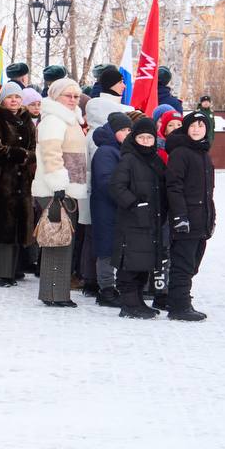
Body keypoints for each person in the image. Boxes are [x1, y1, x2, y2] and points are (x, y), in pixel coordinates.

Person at [32, 78, 90, 307]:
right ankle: (53, 294)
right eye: (68, 95)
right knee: (57, 239)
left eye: (76, 96)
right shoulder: (54, 120)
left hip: (67, 187)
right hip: (56, 188)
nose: (73, 100)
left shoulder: (70, 119)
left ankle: (58, 292)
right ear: (56, 97)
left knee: (64, 240)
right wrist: (58, 185)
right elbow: (51, 154)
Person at [109, 117, 168, 319]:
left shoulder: (156, 159)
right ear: (135, 139)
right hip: (133, 221)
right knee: (130, 263)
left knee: (144, 262)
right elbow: (116, 187)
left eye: (149, 138)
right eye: (141, 137)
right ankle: (129, 304)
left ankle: (138, 301)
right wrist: (135, 204)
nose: (145, 141)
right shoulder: (129, 159)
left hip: (151, 221)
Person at [0, 81, 36, 286]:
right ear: (3, 99)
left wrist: (28, 156)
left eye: (17, 97)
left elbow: (33, 148)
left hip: (23, 181)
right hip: (1, 181)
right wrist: (19, 154)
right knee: (1, 227)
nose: (14, 100)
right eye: (10, 97)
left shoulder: (26, 120)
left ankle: (13, 270)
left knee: (18, 226)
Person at [164, 111, 215, 321]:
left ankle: (180, 298)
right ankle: (179, 306)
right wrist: (180, 217)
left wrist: (211, 217)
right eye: (192, 126)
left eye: (201, 126)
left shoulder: (203, 152)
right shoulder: (181, 153)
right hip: (187, 219)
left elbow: (207, 190)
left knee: (193, 262)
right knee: (183, 263)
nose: (196, 130)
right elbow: (173, 187)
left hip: (201, 218)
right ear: (186, 129)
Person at [89, 112, 132, 308]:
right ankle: (106, 289)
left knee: (115, 247)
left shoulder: (121, 149)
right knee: (106, 249)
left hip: (117, 207)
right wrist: (126, 196)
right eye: (123, 130)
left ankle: (113, 288)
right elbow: (106, 181)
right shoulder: (107, 151)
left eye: (129, 130)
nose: (127, 133)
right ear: (113, 131)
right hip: (106, 208)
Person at [84, 66, 127, 139]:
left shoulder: (92, 104)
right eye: (120, 82)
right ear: (110, 84)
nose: (124, 86)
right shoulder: (123, 110)